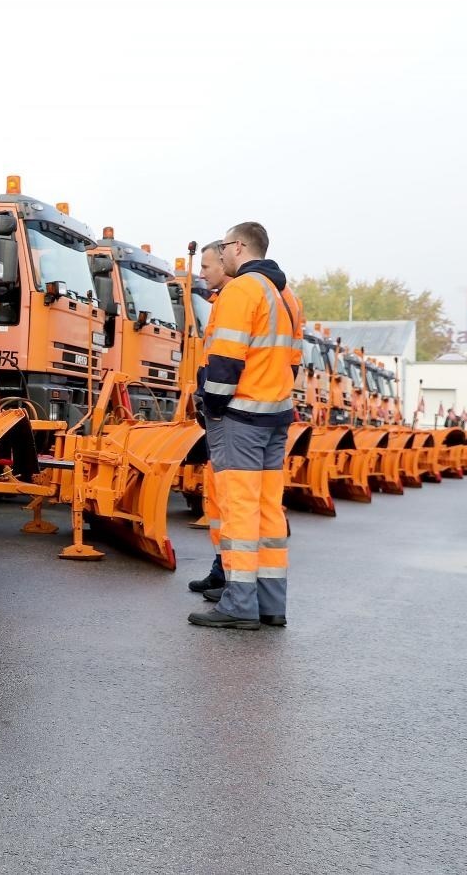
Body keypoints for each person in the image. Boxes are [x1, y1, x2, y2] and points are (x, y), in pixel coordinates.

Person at [189, 221, 302, 630]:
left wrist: (211, 404)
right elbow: (292, 361)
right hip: (276, 415)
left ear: (237, 247)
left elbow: (225, 363)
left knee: (238, 508)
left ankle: (238, 604)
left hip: (240, 416)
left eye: (222, 248)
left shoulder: (241, 290)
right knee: (269, 510)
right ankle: (271, 604)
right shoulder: (288, 296)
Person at [188, 241, 230, 595]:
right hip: (230, 413)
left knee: (233, 501)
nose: (201, 274)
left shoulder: (236, 301)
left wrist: (210, 401)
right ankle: (223, 569)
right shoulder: (220, 303)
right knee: (220, 498)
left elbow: (227, 362)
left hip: (232, 415)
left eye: (206, 266)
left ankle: (234, 579)